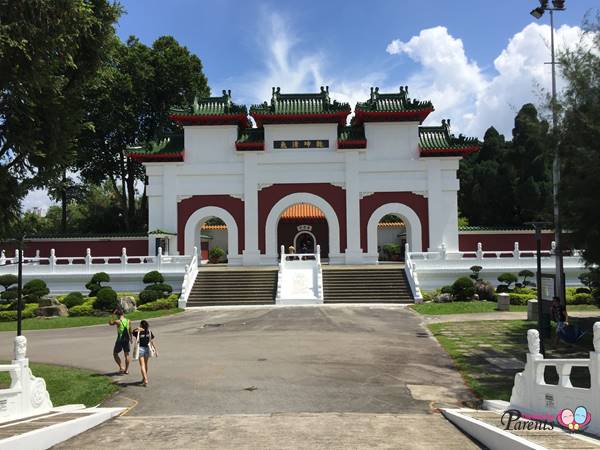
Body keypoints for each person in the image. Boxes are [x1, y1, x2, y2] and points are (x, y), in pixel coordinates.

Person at [132, 320, 157, 386]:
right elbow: (151, 341)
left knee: (142, 365)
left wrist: (137, 328)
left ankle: (145, 379)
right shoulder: (149, 332)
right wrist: (155, 350)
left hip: (140, 349)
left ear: (141, 325)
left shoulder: (138, 332)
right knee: (146, 364)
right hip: (147, 349)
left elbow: (132, 331)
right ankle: (144, 378)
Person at [109, 308, 132, 374]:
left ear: (117, 315)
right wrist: (131, 338)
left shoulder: (117, 321)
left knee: (115, 353)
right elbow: (130, 330)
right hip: (126, 339)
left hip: (120, 339)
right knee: (127, 355)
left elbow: (110, 323)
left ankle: (121, 367)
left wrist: (112, 315)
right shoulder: (128, 321)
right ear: (123, 314)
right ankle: (126, 370)